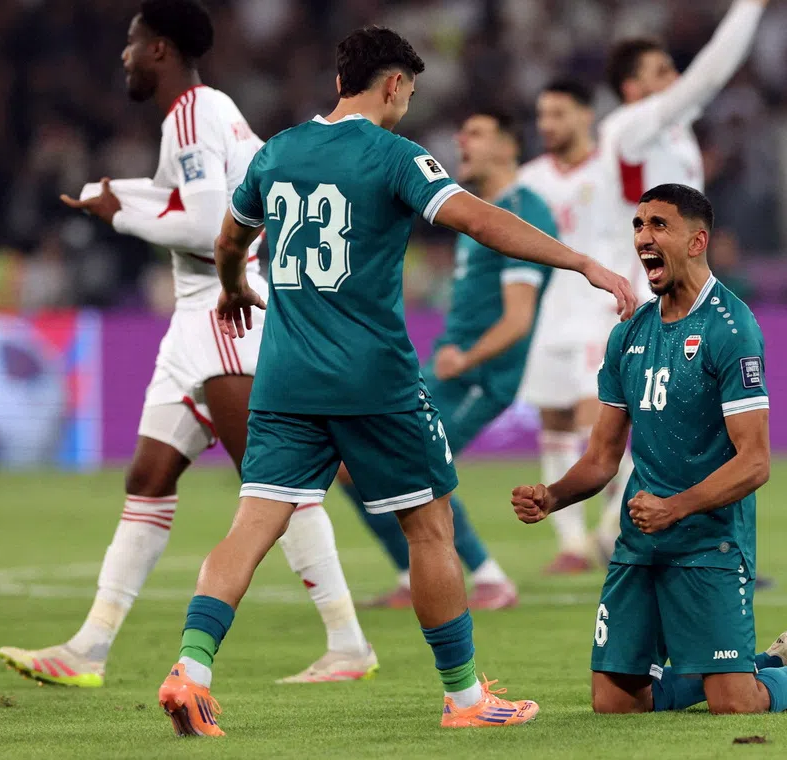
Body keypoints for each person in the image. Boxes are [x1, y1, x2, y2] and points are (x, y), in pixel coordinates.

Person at [156, 26, 636, 736]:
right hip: (374, 381)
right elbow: (478, 219)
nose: (409, 102)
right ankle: (467, 699)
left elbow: (229, 241)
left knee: (252, 526)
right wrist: (582, 263)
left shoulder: (279, 152)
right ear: (391, 84)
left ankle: (190, 672)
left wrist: (233, 287)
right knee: (430, 526)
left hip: (285, 380)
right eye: (409, 89)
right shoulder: (395, 157)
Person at [0, 0, 374, 688]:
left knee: (272, 483)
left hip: (226, 316)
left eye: (134, 44)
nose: (124, 56)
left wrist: (121, 218)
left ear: (162, 50)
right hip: (193, 322)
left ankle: (348, 643)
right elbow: (188, 197)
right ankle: (89, 648)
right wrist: (120, 192)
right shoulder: (203, 114)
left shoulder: (196, 113)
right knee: (148, 478)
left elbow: (206, 229)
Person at [512, 184, 787, 715]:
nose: (644, 236)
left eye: (659, 225)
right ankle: (771, 663)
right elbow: (601, 459)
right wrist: (551, 497)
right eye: (639, 226)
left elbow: (755, 461)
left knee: (733, 704)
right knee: (616, 703)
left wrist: (676, 507)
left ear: (696, 241)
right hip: (641, 541)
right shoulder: (628, 335)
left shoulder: (731, 328)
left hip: (709, 542)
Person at [590, 0, 777, 588]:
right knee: (674, 424)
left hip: (684, 290)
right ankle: (652, 537)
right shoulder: (629, 125)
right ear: (631, 86)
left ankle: (619, 530)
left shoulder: (670, 130)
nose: (674, 81)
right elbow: (711, 74)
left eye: (673, 70)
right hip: (650, 298)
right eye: (660, 72)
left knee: (692, 423)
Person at [338, 109, 556, 610]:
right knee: (352, 464)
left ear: (508, 147)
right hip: (447, 367)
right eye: (462, 131)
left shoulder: (522, 211)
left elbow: (519, 318)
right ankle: (409, 575)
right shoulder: (478, 210)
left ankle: (491, 579)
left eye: (476, 132)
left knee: (415, 464)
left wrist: (468, 359)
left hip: (481, 375)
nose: (461, 139)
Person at [517, 79, 625, 573]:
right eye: (542, 115)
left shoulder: (613, 170)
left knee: (598, 422)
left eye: (558, 114)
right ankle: (572, 543)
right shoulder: (529, 179)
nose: (547, 125)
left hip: (599, 312)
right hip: (548, 315)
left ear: (586, 115)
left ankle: (618, 529)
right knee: (554, 424)